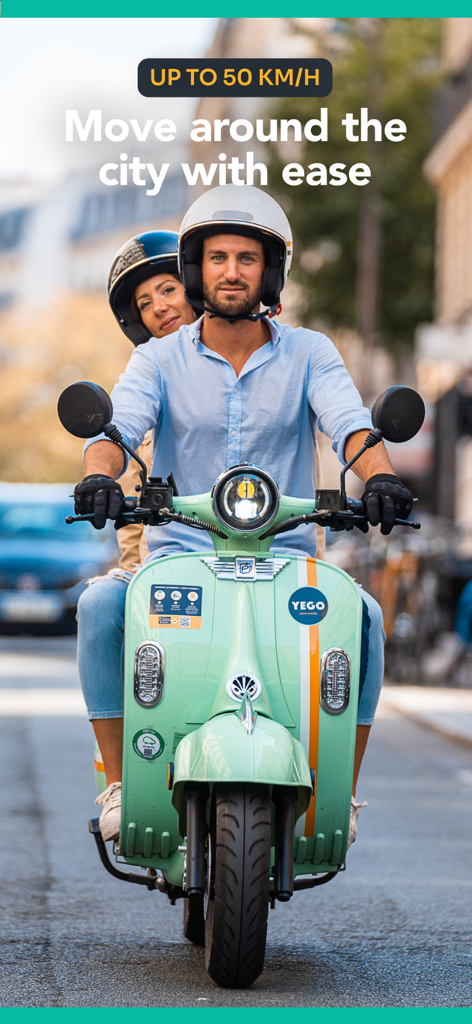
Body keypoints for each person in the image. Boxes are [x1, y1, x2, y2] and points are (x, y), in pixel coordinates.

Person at [75, 184, 414, 846]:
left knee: (366, 618)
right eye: (219, 257)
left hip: (287, 560)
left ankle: (339, 789)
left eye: (248, 258)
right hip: (178, 555)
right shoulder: (156, 358)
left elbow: (350, 424)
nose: (232, 271)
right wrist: (97, 476)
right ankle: (119, 779)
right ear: (196, 268)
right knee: (99, 608)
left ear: (270, 271)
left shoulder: (311, 352)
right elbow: (118, 428)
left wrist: (382, 480)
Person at [107, 230, 197, 570]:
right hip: (168, 568)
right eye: (145, 304)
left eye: (168, 290)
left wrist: (312, 575)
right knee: (98, 605)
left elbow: (309, 504)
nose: (159, 307)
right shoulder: (142, 385)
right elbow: (132, 521)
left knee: (362, 612)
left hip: (264, 565)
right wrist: (134, 580)